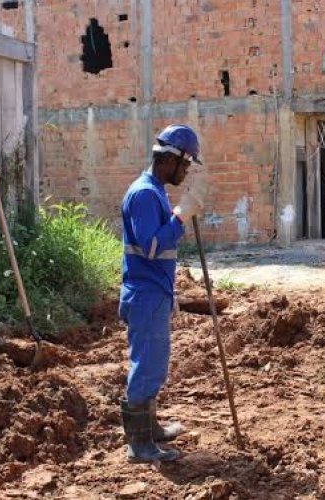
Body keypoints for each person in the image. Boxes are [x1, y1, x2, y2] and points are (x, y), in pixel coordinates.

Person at [119, 124, 204, 462]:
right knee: (146, 366)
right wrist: (181, 217)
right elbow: (152, 246)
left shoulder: (154, 191)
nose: (185, 172)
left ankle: (149, 428)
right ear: (170, 160)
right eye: (185, 165)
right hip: (145, 294)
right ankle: (139, 445)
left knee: (155, 365)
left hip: (155, 292)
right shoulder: (142, 194)